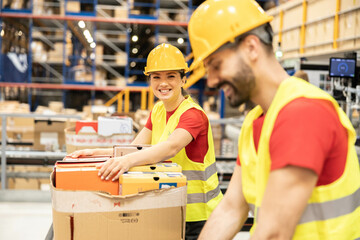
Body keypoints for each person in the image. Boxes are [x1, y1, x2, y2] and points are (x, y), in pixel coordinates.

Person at [187, 0, 360, 239]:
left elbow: (273, 233)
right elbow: (231, 209)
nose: (212, 81)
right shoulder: (255, 120)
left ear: (251, 47)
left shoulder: (304, 113)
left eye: (216, 65)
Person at [69, 43, 223, 240]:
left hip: (199, 216)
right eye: (156, 77)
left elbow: (170, 147)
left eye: (171, 76)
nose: (163, 83)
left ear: (183, 79)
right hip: (171, 205)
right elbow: (134, 148)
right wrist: (97, 152)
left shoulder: (193, 115)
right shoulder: (158, 110)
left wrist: (125, 163)